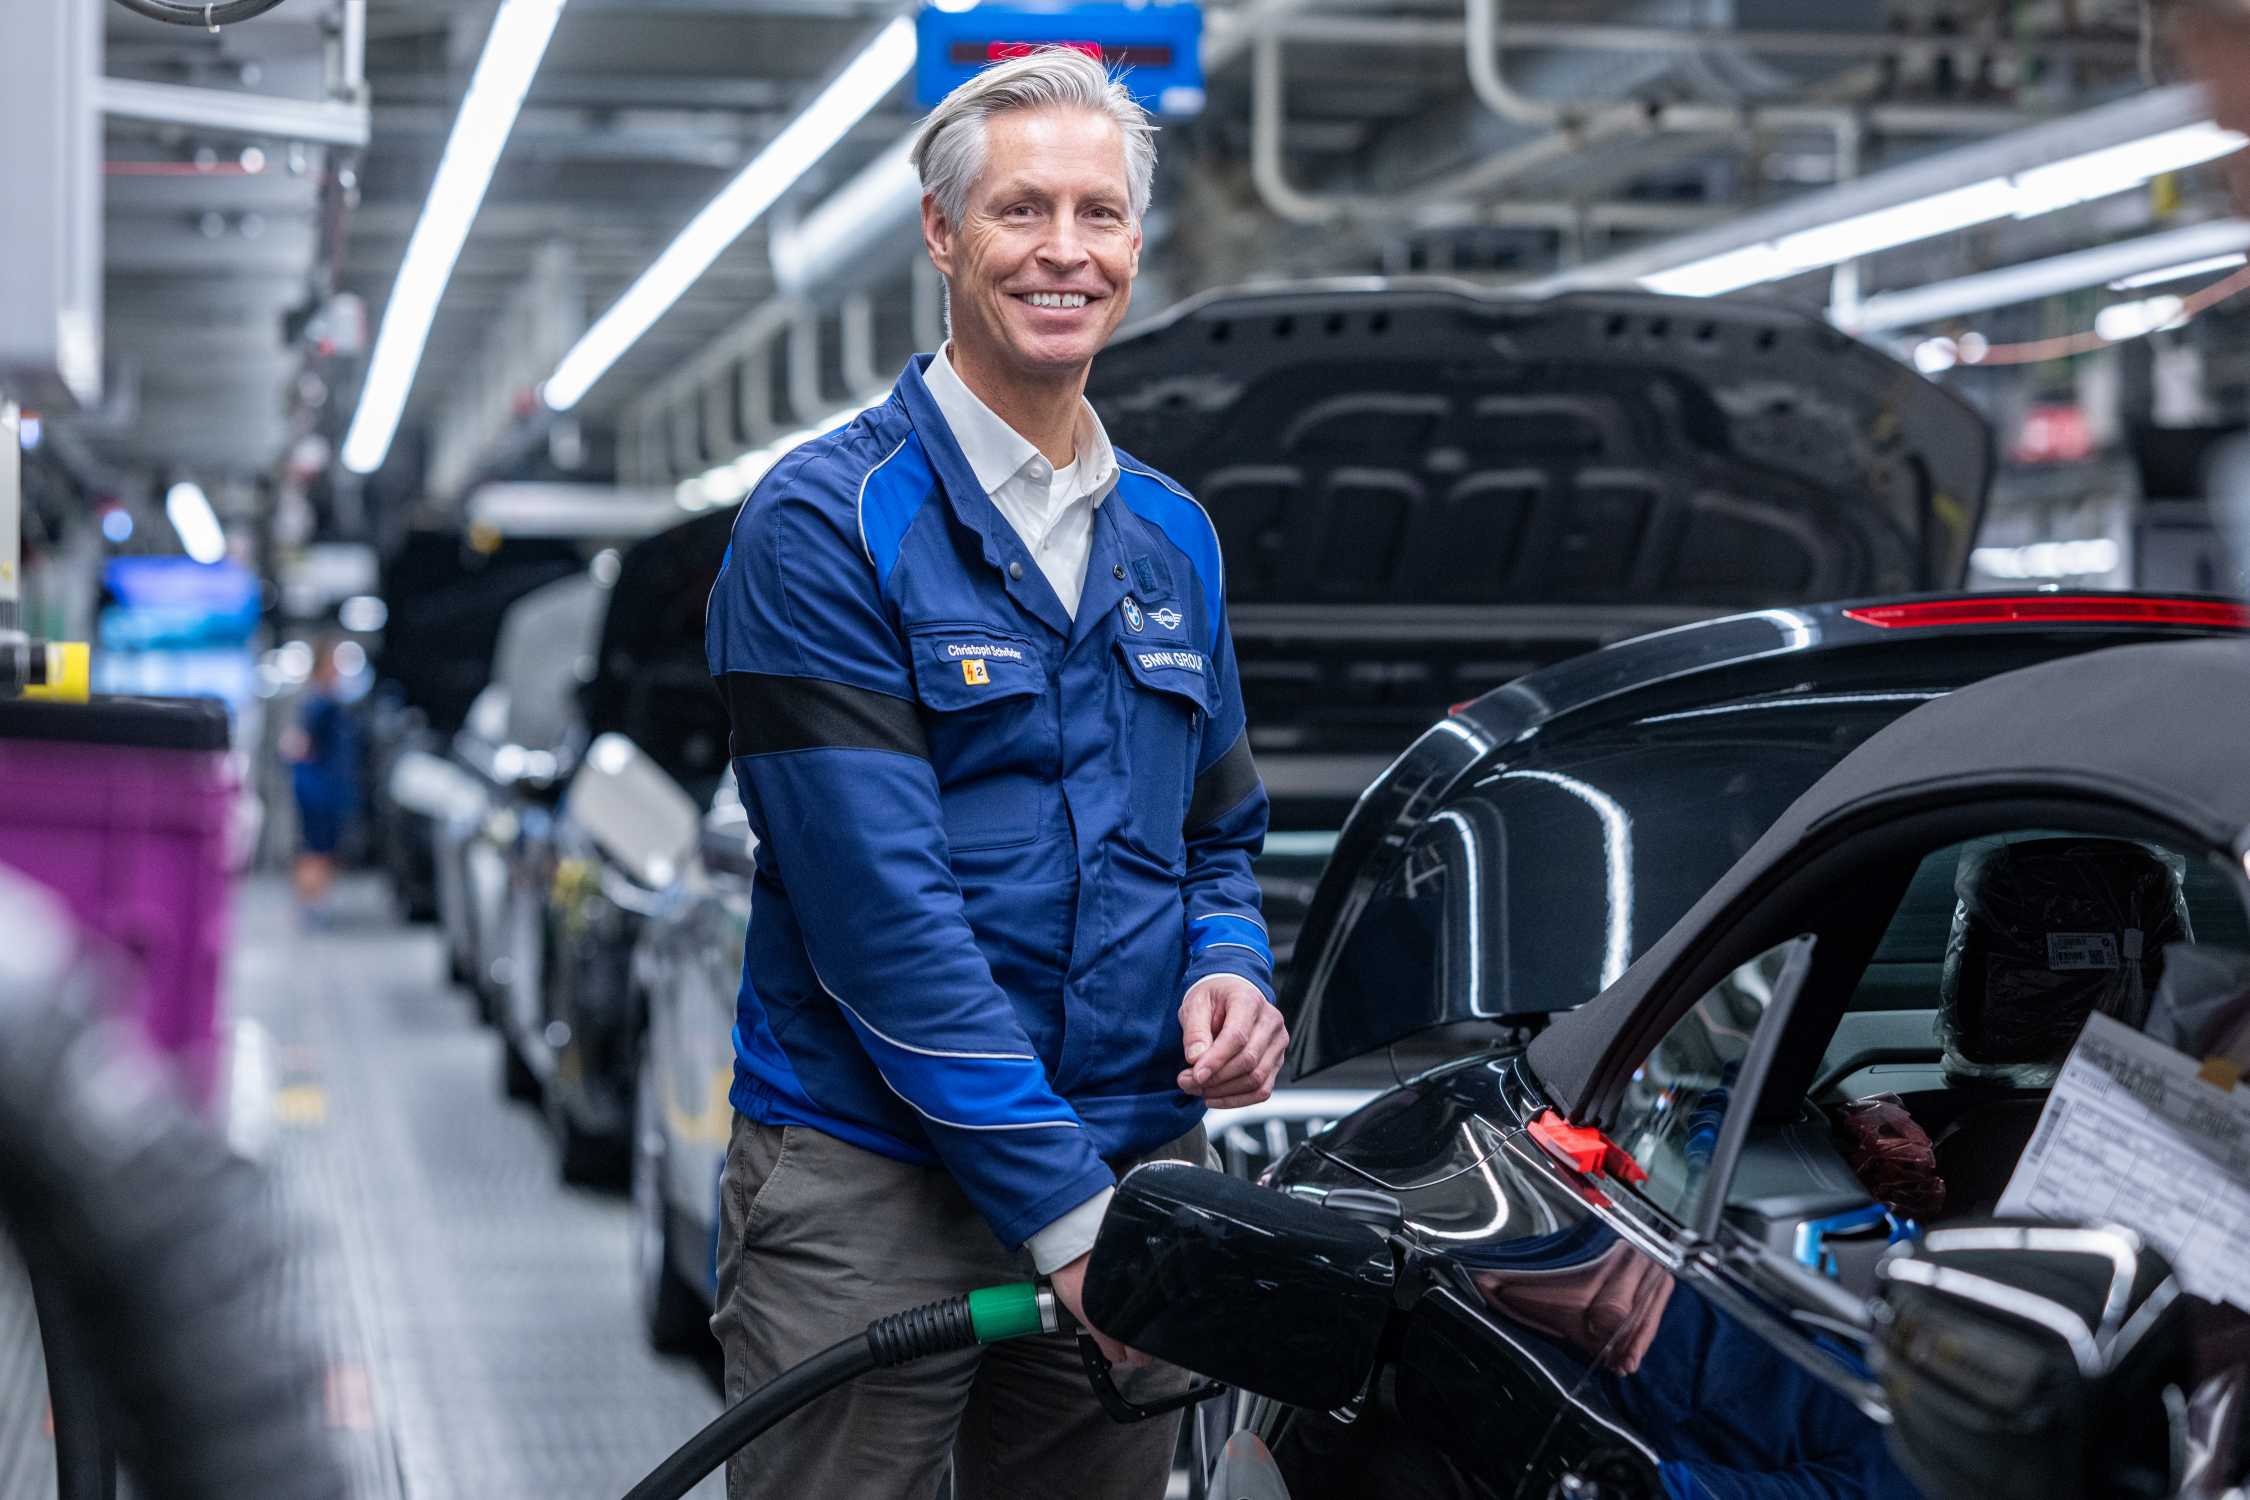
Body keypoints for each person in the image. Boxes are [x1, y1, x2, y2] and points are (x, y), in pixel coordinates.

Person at [703, 46, 1284, 1499]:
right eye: (1022, 212)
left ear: (1136, 243)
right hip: (868, 1181)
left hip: (1126, 1152)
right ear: (942, 233)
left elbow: (1216, 837)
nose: (1064, 252)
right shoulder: (823, 526)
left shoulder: (1173, 536)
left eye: (1099, 214)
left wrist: (1233, 969)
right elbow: (880, 925)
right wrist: (1069, 1221)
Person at [282, 637, 358, 922]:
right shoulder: (320, 704)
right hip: (318, 787)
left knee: (320, 846)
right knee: (317, 847)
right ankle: (311, 903)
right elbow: (296, 744)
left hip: (323, 785)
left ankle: (313, 902)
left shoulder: (322, 701)